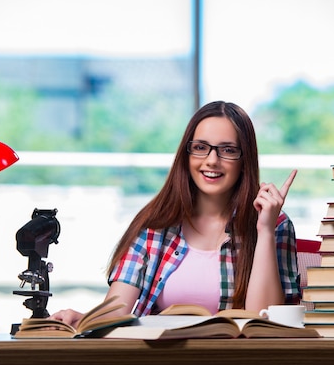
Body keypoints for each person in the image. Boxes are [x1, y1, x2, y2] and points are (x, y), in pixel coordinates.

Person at [50, 101, 299, 327]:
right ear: (186, 154)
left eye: (228, 150)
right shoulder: (155, 223)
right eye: (201, 147)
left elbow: (265, 324)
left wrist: (264, 230)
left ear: (244, 159)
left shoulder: (275, 223)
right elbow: (116, 311)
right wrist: (82, 320)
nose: (212, 160)